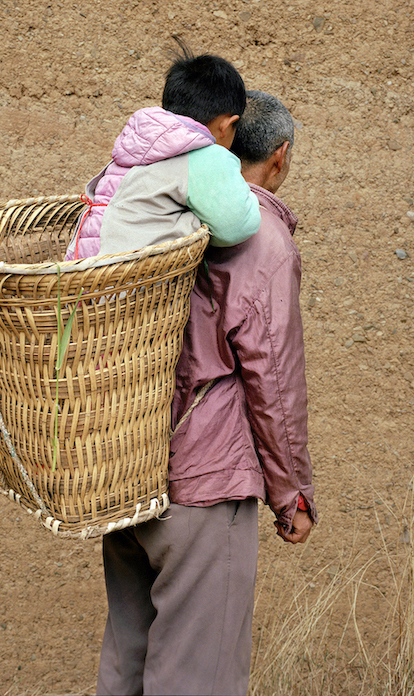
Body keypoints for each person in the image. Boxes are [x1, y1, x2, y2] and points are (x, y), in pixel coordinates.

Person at [96, 90, 317, 696]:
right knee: (200, 678)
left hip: (126, 464)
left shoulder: (165, 207)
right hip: (204, 485)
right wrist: (291, 491)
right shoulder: (261, 238)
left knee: (128, 666)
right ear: (280, 156)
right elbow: (272, 377)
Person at [65, 40, 260, 260]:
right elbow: (236, 226)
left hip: (83, 270)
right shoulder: (206, 155)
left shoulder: (140, 141)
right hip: (126, 281)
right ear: (227, 125)